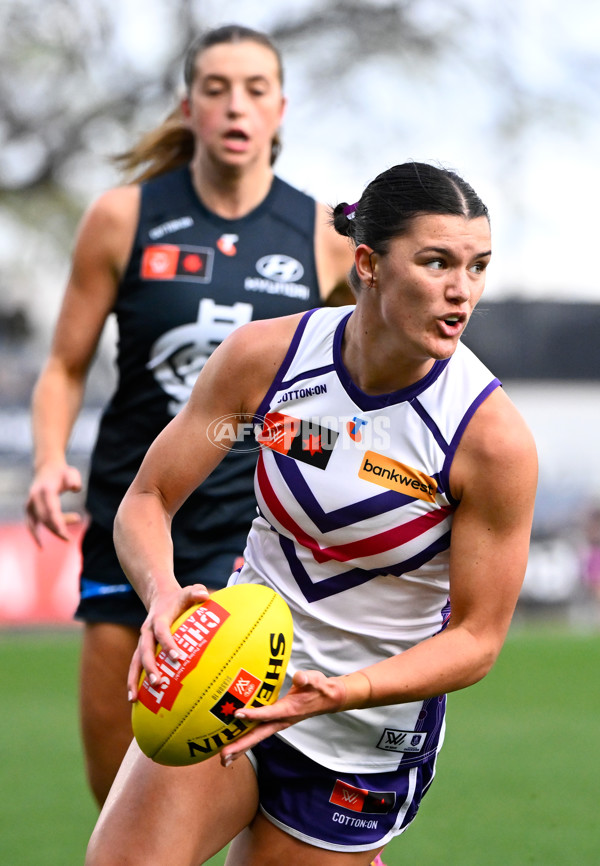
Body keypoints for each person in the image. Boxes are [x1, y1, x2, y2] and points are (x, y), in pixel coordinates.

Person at [85, 161, 538, 866]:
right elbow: (146, 499)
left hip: (360, 736)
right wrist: (163, 593)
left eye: (478, 266)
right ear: (369, 263)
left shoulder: (491, 439)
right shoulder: (264, 361)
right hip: (229, 680)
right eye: (437, 262)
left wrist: (338, 692)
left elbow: (478, 640)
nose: (462, 290)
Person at [24, 24, 354, 809]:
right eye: (216, 89)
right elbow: (64, 366)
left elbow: (360, 383)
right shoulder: (121, 218)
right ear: (186, 108)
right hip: (133, 524)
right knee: (120, 813)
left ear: (281, 109)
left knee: (261, 802)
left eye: (254, 89)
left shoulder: (325, 236)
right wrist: (46, 458)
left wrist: (305, 443)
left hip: (257, 550)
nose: (236, 105)